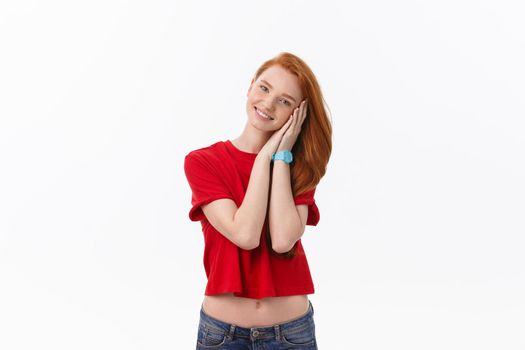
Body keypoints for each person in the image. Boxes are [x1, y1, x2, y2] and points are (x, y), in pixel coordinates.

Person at [184, 52, 332, 349]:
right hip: (222, 335)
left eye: (285, 101)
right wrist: (265, 155)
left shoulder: (299, 168)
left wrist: (281, 156)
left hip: (291, 334)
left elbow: (282, 240)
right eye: (264, 88)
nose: (268, 103)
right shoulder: (203, 162)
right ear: (250, 86)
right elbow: (245, 234)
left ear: (297, 113)